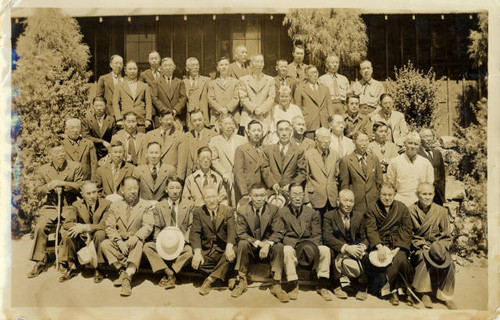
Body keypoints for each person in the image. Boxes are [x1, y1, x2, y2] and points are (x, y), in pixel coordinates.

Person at [28, 141, 83, 278]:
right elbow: (37, 190)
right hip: (50, 206)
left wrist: (63, 183)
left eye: (62, 151)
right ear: (50, 155)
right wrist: (49, 186)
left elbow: (80, 186)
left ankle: (67, 261)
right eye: (56, 153)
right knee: (40, 227)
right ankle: (40, 260)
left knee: (67, 230)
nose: (60, 155)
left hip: (69, 205)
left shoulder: (74, 167)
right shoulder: (43, 170)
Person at [232, 183, 288, 302]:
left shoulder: (273, 210)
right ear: (250, 197)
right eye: (256, 196)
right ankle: (242, 280)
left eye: (262, 195)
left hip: (267, 248)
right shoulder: (243, 210)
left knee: (278, 246)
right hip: (252, 247)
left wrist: (267, 244)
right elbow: (241, 233)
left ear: (266, 196)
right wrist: (258, 243)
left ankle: (276, 283)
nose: (259, 199)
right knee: (242, 243)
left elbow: (279, 231)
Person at [101, 176, 154, 297]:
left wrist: (136, 237)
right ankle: (121, 271)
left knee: (139, 243)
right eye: (129, 188)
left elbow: (148, 226)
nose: (133, 191)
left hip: (135, 242)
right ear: (122, 190)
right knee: (105, 244)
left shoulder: (145, 205)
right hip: (120, 242)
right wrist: (118, 241)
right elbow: (109, 227)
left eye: (135, 188)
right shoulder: (115, 206)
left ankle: (127, 278)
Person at [279, 182, 333, 301]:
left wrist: (308, 247)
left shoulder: (312, 212)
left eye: (300, 194)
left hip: (309, 245)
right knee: (286, 250)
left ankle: (322, 284)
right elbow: (281, 234)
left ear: (304, 195)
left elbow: (317, 234)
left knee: (325, 250)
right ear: (289, 195)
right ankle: (293, 284)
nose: (297, 198)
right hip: (292, 245)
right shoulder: (282, 212)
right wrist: (298, 246)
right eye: (294, 194)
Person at [364, 183, 415, 306]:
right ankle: (393, 292)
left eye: (390, 195)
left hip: (398, 244)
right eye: (384, 194)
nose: (387, 198)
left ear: (395, 194)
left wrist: (397, 248)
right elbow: (371, 229)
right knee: (385, 260)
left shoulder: (402, 208)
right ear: (379, 194)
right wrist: (379, 247)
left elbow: (407, 229)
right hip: (380, 244)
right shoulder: (372, 208)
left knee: (400, 259)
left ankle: (407, 290)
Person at [409, 183, 456, 310]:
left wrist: (439, 246)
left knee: (450, 263)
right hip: (419, 247)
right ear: (417, 195)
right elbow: (408, 235)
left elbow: (446, 235)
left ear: (434, 195)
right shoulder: (411, 210)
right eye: (424, 194)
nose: (427, 197)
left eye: (430, 194)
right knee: (422, 258)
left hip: (437, 246)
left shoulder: (441, 211)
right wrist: (421, 244)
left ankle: (447, 295)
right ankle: (425, 293)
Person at [142, 178, 195, 289]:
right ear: (166, 190)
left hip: (181, 243)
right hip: (164, 242)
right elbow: (156, 228)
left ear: (181, 189)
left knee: (189, 252)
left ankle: (172, 271)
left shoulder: (189, 205)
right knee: (147, 247)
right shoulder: (159, 206)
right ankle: (169, 273)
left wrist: (183, 241)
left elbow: (191, 227)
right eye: (171, 188)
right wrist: (160, 242)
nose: (175, 191)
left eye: (177, 188)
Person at [59, 181, 111, 283]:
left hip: (99, 236)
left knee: (100, 233)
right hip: (83, 237)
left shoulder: (107, 204)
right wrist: (79, 229)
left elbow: (105, 225)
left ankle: (99, 268)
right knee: (68, 233)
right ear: (82, 194)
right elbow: (67, 223)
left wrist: (86, 227)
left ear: (98, 192)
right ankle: (72, 266)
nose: (92, 196)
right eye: (88, 193)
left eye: (94, 192)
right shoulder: (77, 205)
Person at [190, 186, 237, 296]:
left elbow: (232, 231)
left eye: (213, 197)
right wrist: (197, 252)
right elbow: (195, 233)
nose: (211, 200)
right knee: (198, 263)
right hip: (209, 251)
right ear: (203, 199)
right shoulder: (198, 212)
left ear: (218, 198)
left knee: (235, 250)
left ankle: (210, 280)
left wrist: (229, 247)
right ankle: (226, 275)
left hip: (224, 250)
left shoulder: (228, 210)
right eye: (208, 197)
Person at [323, 189, 369, 300]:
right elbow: (327, 238)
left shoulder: (358, 216)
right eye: (345, 200)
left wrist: (361, 247)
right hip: (339, 248)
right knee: (329, 251)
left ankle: (361, 287)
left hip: (354, 249)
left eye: (351, 201)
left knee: (366, 255)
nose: (348, 204)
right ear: (338, 201)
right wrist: (346, 248)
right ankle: (336, 285)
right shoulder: (329, 216)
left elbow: (365, 237)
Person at [296, 127, 340, 215]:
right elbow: (305, 178)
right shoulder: (308, 154)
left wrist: (337, 196)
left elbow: (337, 176)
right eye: (323, 138)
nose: (327, 141)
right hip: (315, 199)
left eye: (328, 138)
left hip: (332, 199)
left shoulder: (335, 155)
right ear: (316, 140)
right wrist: (306, 200)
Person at [339, 132, 383, 215]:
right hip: (356, 205)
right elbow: (344, 186)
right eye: (361, 141)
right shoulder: (346, 161)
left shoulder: (374, 159)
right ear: (354, 142)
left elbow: (379, 182)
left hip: (373, 203)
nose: (364, 144)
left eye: (366, 141)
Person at [208, 114, 247, 206]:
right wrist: (224, 173)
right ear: (220, 126)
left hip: (241, 178)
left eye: (230, 123)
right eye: (225, 124)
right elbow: (214, 160)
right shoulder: (215, 141)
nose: (228, 126)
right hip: (224, 178)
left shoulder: (243, 140)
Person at [386, 132, 434, 207]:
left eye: (416, 144)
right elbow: (390, 185)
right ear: (405, 144)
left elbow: (429, 184)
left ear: (419, 146)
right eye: (410, 143)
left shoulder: (425, 163)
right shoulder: (395, 162)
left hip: (420, 203)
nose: (412, 146)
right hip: (400, 202)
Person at [262, 120, 302, 198]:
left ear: (291, 132)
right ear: (277, 133)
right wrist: (273, 184)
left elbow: (302, 172)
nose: (284, 133)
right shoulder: (268, 150)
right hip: (272, 192)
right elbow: (265, 169)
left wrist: (291, 185)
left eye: (286, 129)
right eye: (281, 130)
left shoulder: (299, 151)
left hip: (291, 192)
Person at [238, 54, 275, 136]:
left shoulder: (270, 80)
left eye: (261, 62)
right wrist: (254, 109)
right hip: (249, 115)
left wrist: (261, 109)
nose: (259, 64)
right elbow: (243, 98)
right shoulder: (243, 80)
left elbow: (271, 98)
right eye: (257, 62)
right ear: (251, 64)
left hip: (265, 116)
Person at [294, 65, 334, 139]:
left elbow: (329, 107)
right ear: (306, 75)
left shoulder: (325, 88)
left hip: (324, 125)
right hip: (309, 125)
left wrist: (331, 123)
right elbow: (297, 108)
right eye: (312, 73)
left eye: (316, 72)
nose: (315, 75)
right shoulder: (300, 89)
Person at [176, 110, 218, 180]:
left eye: (200, 120)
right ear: (191, 123)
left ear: (204, 120)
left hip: (209, 176)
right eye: (194, 121)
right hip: (190, 176)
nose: (197, 123)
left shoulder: (214, 135)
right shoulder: (185, 137)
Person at [113, 60, 153, 132]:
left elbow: (148, 103)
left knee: (141, 141)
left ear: (137, 70)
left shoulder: (144, 86)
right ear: (125, 71)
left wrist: (148, 119)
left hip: (141, 121)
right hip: (125, 121)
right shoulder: (119, 86)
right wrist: (118, 119)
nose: (132, 71)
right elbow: (115, 103)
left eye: (134, 69)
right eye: (130, 69)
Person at [234, 120, 265, 203]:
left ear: (262, 133)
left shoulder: (265, 149)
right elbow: (238, 172)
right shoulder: (241, 149)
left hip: (263, 190)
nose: (257, 133)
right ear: (248, 133)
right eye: (254, 131)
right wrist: (244, 193)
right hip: (249, 189)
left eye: (259, 130)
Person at [150, 57, 186, 130]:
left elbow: (183, 98)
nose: (168, 68)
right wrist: (166, 112)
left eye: (170, 65)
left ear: (174, 67)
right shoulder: (156, 83)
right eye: (165, 66)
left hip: (176, 117)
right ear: (161, 68)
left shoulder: (180, 82)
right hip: (161, 117)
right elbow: (154, 98)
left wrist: (175, 110)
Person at [207, 56, 241, 130]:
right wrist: (220, 109)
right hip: (216, 117)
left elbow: (236, 98)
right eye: (221, 65)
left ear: (229, 66)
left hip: (233, 116)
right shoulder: (212, 83)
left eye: (226, 65)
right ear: (217, 68)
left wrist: (227, 108)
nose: (224, 67)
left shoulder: (236, 82)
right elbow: (210, 99)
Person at [418, 129, 446, 205]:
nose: (429, 139)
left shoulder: (437, 153)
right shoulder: (417, 153)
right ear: (420, 139)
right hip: (424, 192)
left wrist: (442, 193)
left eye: (430, 136)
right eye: (426, 136)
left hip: (438, 192)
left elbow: (442, 174)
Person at [184, 57, 210, 129]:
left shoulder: (207, 81)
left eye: (197, 65)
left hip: (203, 119)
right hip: (189, 119)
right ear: (187, 68)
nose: (195, 67)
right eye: (192, 65)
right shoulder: (183, 82)